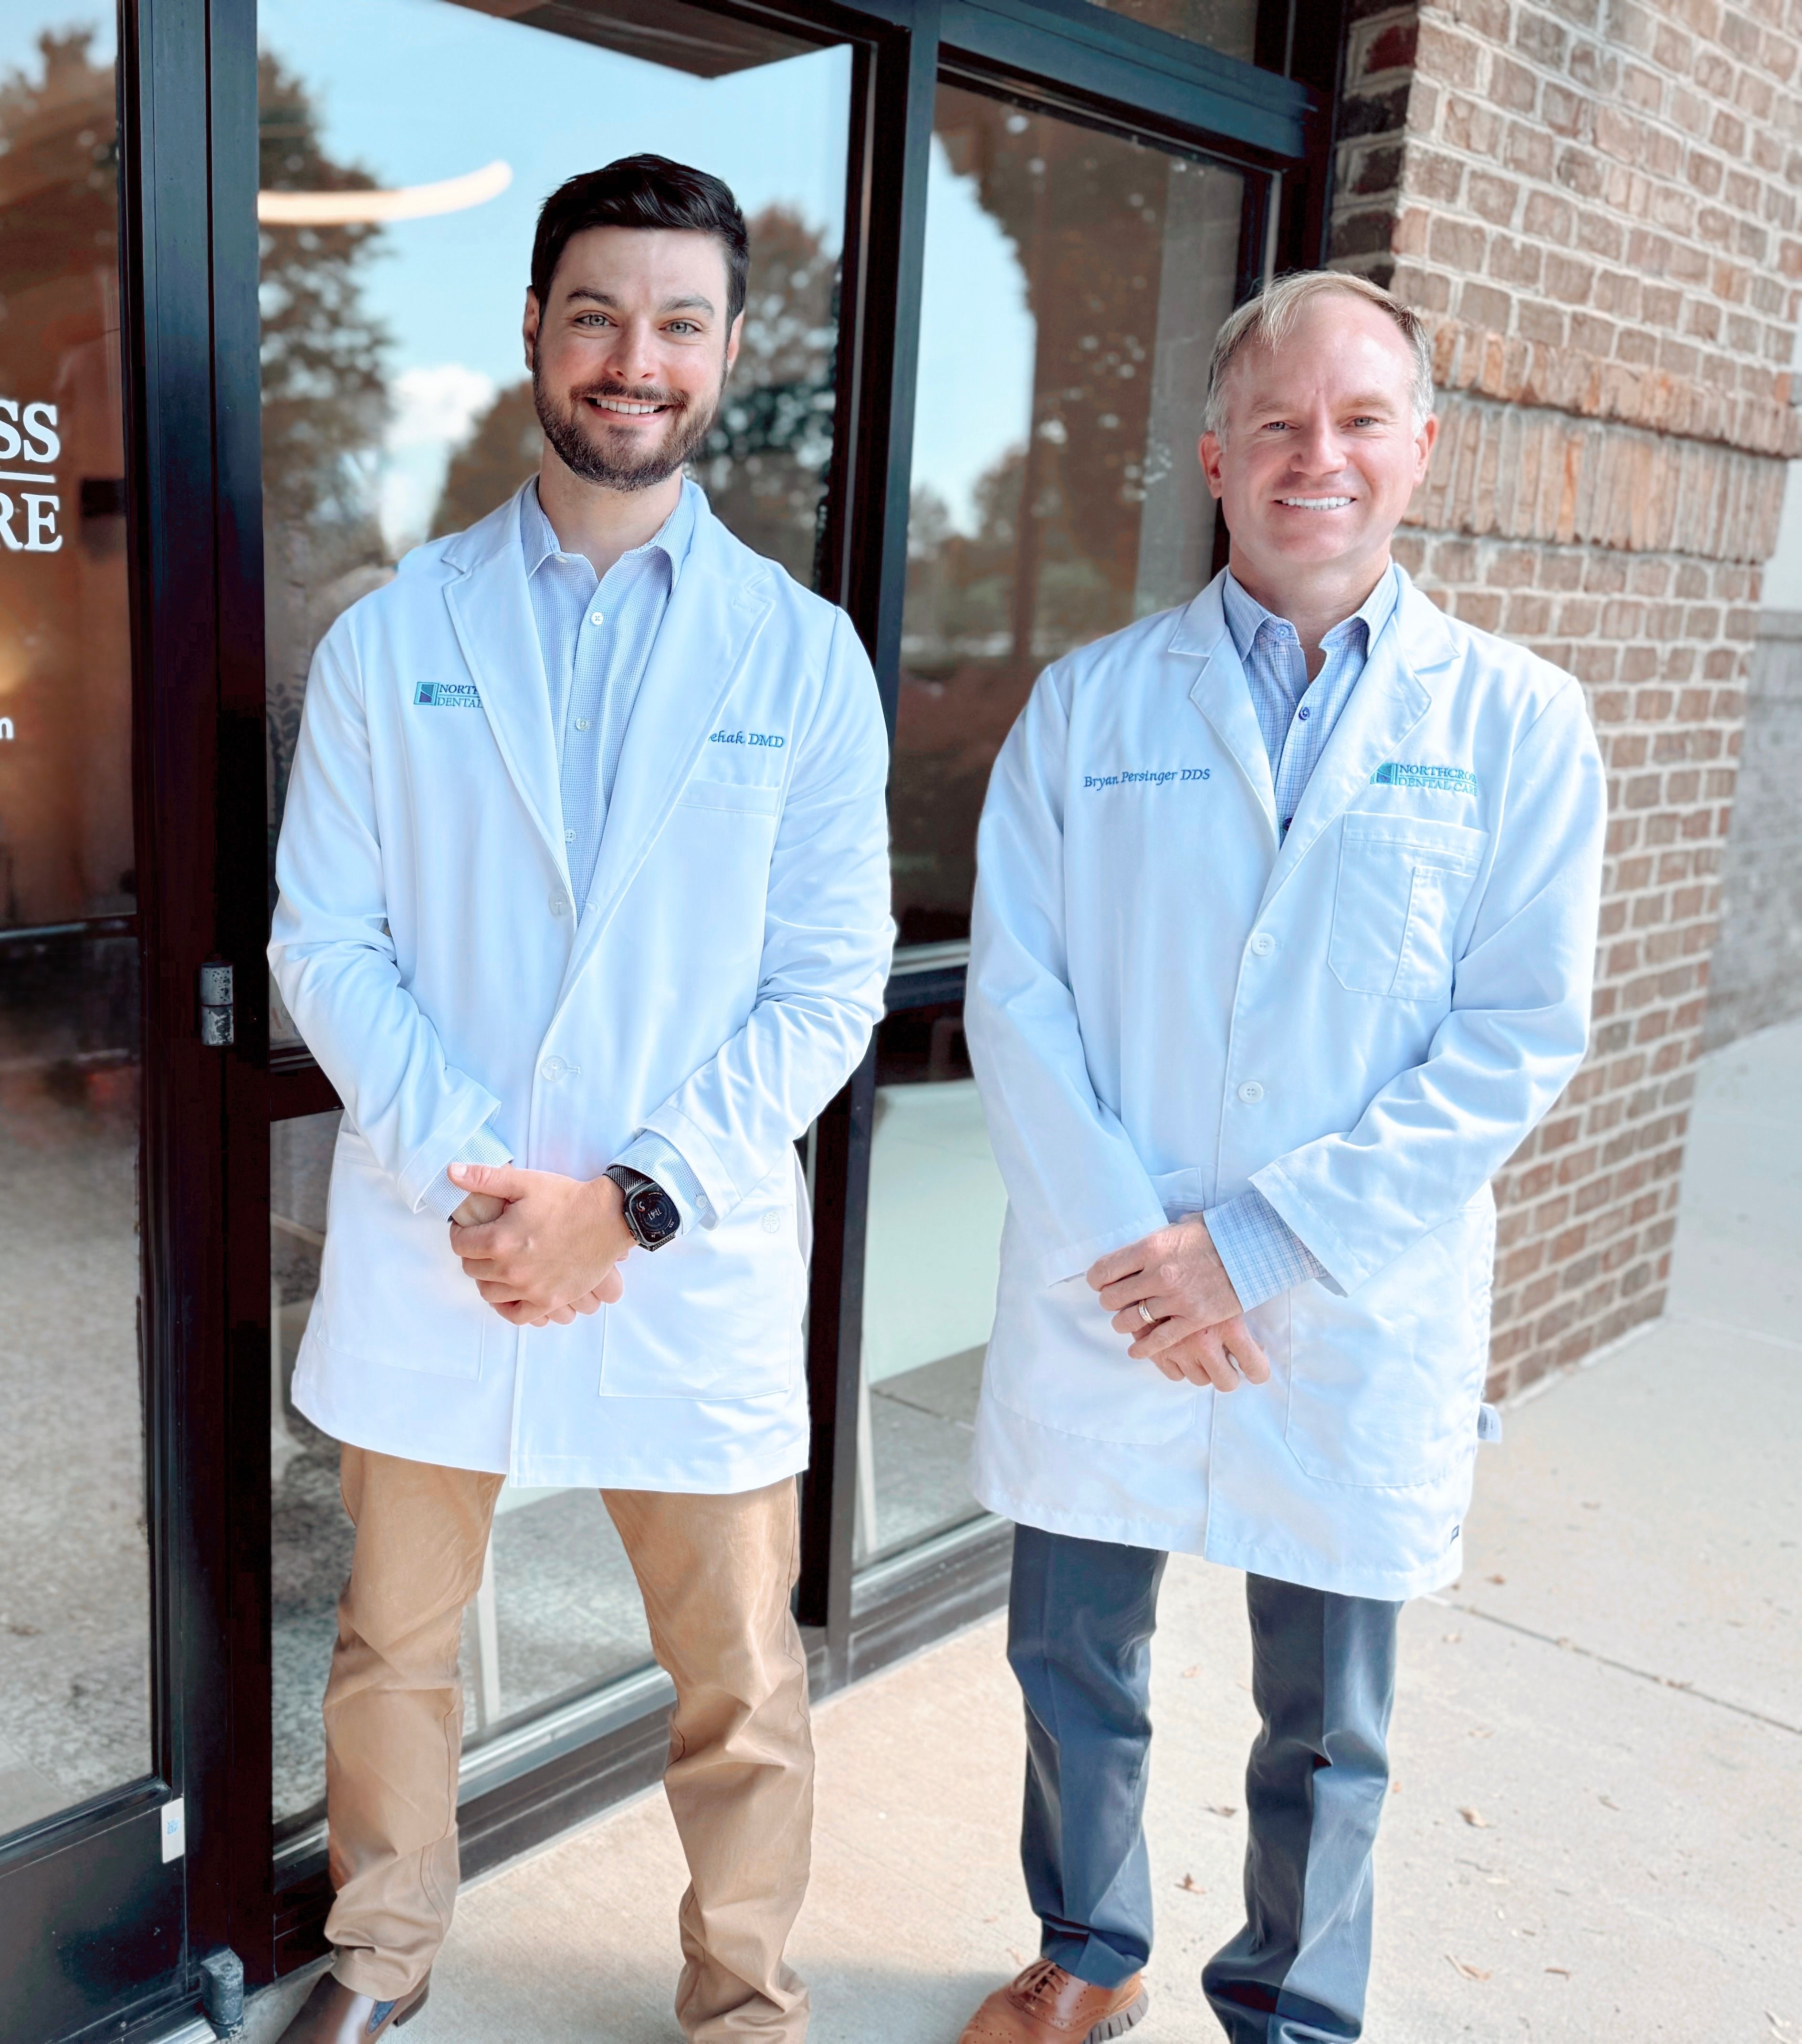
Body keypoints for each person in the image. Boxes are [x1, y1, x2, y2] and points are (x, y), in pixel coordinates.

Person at [267, 155, 893, 2044]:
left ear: (724, 355)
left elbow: (825, 986)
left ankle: (746, 1998)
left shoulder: (802, 656)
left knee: (738, 1673)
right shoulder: (393, 636)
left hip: (671, 1247)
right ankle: (379, 1959)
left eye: (680, 323)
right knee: (394, 1642)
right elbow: (330, 935)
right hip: (441, 1226)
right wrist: (490, 1184)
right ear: (535, 330)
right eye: (599, 314)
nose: (638, 358)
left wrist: (622, 1200)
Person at [954, 269, 1607, 2044]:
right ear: (1215, 460)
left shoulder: (1518, 725)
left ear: (1422, 452)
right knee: (1073, 1658)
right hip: (1115, 1290)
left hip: (1341, 1295)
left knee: (1330, 1714)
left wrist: (1253, 1245)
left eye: (1362, 420)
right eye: (1280, 425)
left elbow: (1517, 1036)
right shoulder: (1091, 707)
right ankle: (1088, 1948)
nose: (1321, 454)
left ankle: (1291, 2009)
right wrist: (1141, 1254)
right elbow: (1015, 999)